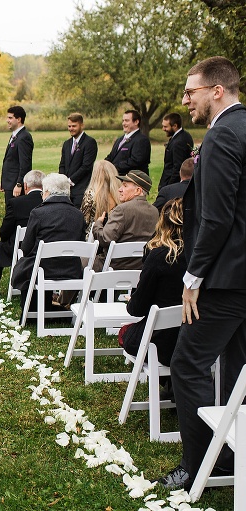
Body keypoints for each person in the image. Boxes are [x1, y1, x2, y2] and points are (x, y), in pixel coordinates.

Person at [158, 56, 246, 491]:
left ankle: (203, 466)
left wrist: (193, 277)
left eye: (190, 91)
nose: (184, 99)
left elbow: (216, 218)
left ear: (217, 91)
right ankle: (231, 455)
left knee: (188, 365)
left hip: (226, 278)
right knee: (236, 370)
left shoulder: (223, 135)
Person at [120, 198, 186, 367]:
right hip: (196, 341)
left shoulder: (160, 257)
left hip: (161, 343)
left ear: (162, 223)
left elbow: (136, 309)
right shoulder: (203, 258)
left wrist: (134, 300)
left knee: (126, 333)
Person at [11, 173, 86, 312]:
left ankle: (32, 309)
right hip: (71, 269)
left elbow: (26, 247)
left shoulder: (39, 213)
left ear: (47, 192)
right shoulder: (78, 214)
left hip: (43, 269)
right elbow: (82, 243)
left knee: (25, 264)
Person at [0, 170, 44, 298]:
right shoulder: (48, 202)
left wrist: (5, 238)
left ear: (25, 186)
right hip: (44, 249)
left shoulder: (16, 203)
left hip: (20, 248)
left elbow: (5, 230)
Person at [91, 170, 158, 271]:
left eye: (125, 186)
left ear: (138, 191)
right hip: (140, 268)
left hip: (113, 266)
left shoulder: (122, 209)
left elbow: (105, 239)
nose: (119, 189)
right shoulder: (155, 211)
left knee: (78, 262)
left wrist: (98, 224)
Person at [58, 113, 98, 208]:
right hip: (66, 190)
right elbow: (62, 164)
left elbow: (86, 166)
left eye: (74, 126)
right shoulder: (66, 144)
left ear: (82, 125)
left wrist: (70, 181)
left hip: (81, 189)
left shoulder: (90, 142)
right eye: (69, 126)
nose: (71, 128)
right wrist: (63, 180)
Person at [0, 105, 34, 203]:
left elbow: (25, 164)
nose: (7, 120)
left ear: (19, 119)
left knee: (14, 214)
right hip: (9, 183)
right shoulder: (15, 135)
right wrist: (3, 182)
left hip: (15, 185)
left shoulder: (24, 137)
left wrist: (19, 184)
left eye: (10, 118)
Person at [105, 109, 151, 175]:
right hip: (116, 179)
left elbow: (135, 162)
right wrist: (102, 165)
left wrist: (113, 167)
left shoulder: (142, 140)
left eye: (126, 121)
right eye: (123, 121)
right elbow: (111, 156)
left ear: (136, 122)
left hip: (131, 181)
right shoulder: (119, 140)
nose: (123, 123)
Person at [158, 112, 195, 190]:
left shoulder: (178, 142)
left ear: (175, 126)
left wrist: (169, 188)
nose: (163, 129)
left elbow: (177, 168)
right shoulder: (185, 135)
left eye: (165, 127)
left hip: (171, 184)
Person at [81, 160, 120, 231]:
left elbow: (84, 220)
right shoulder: (120, 193)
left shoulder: (91, 194)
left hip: (94, 234)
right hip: (115, 232)